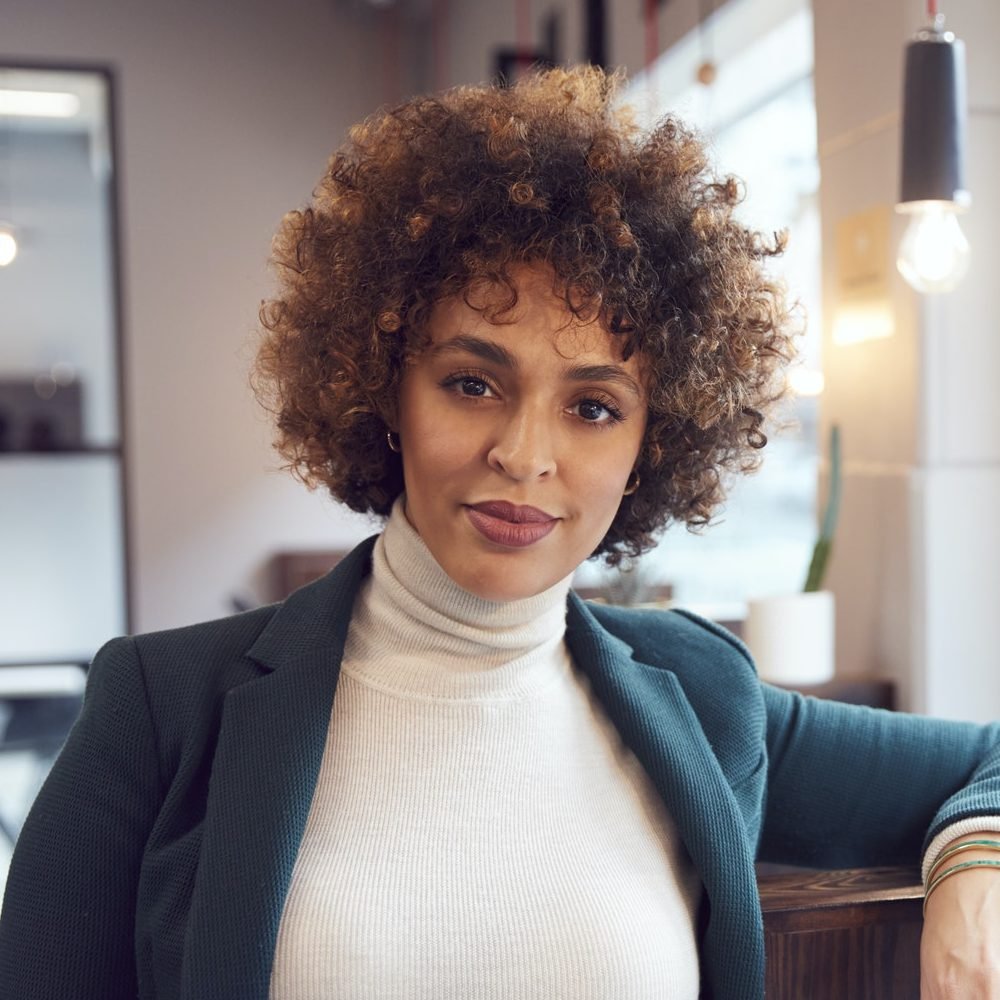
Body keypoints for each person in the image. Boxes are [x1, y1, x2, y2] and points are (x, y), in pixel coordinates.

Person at [1, 65, 998, 1000]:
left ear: (654, 442)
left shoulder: (700, 694)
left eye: (594, 405)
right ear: (386, 387)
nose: (525, 454)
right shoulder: (162, 708)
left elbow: (983, 758)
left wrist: (972, 857)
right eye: (472, 383)